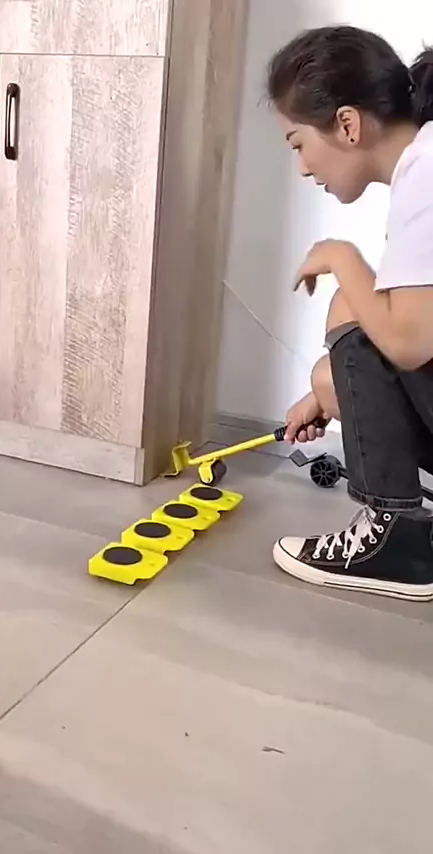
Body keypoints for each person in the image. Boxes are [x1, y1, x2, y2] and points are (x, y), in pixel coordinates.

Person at [268, 25, 433, 600]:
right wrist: (331, 392)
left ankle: (397, 537)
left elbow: (408, 343)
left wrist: (341, 257)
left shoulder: (426, 171)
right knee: (329, 379)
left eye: (297, 144)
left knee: (348, 302)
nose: (302, 168)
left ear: (346, 124)